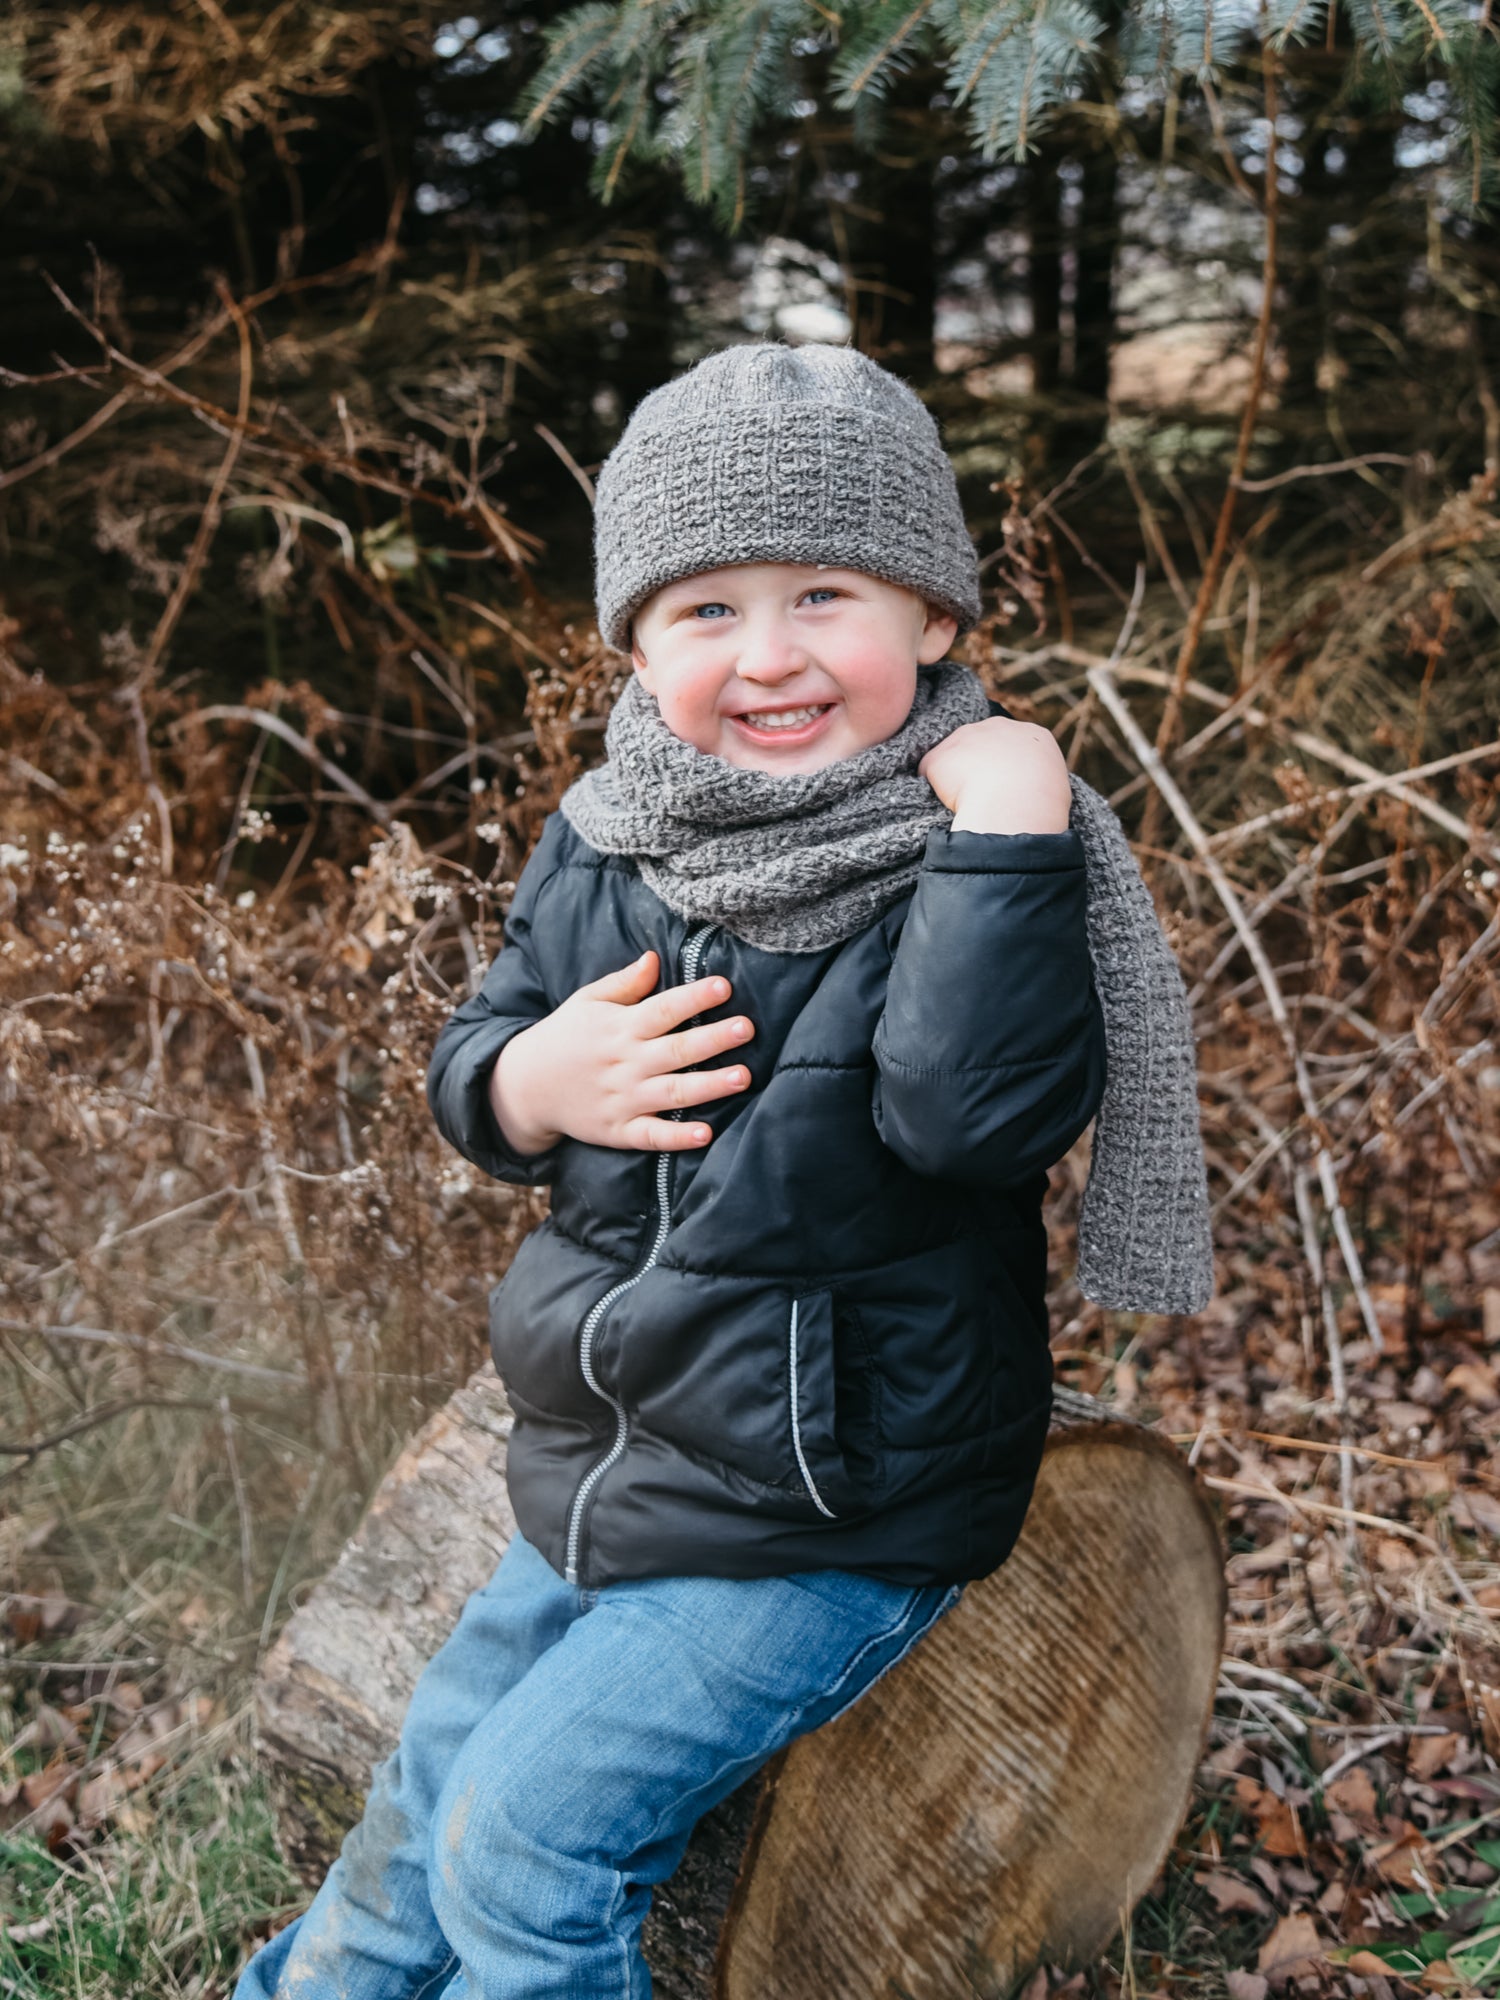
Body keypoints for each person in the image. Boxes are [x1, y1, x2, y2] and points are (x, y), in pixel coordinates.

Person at [234, 342, 1212, 2000]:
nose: (769, 656)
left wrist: (1010, 832)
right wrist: (531, 1081)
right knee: (420, 1808)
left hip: (834, 1505)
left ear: (937, 623)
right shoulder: (610, 832)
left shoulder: (967, 845)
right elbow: (473, 1064)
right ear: (632, 641)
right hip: (604, 1470)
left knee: (527, 1841)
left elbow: (970, 1124)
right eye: (705, 610)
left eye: (826, 592)